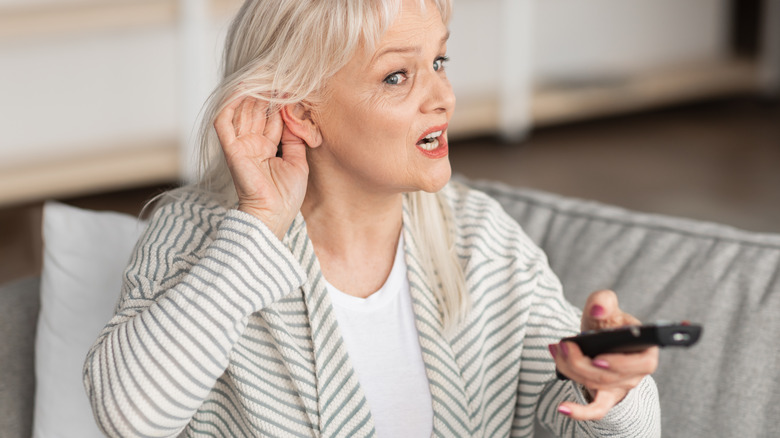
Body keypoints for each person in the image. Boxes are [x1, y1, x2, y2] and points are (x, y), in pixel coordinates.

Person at [83, 0, 661, 436]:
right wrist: (259, 223)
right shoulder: (201, 235)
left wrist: (609, 382)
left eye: (438, 59)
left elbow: (571, 421)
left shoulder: (479, 238)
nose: (443, 97)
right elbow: (129, 416)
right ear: (302, 116)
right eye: (397, 76)